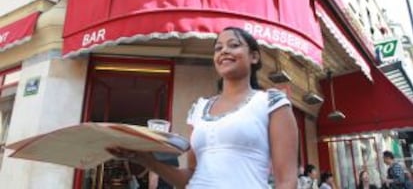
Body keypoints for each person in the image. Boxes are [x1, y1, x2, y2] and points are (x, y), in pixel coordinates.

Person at [107, 26, 299, 188]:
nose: (224, 51)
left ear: (254, 57)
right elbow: (189, 177)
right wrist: (145, 160)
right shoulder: (199, 108)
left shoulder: (271, 103)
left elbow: (287, 180)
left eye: (234, 45)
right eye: (218, 48)